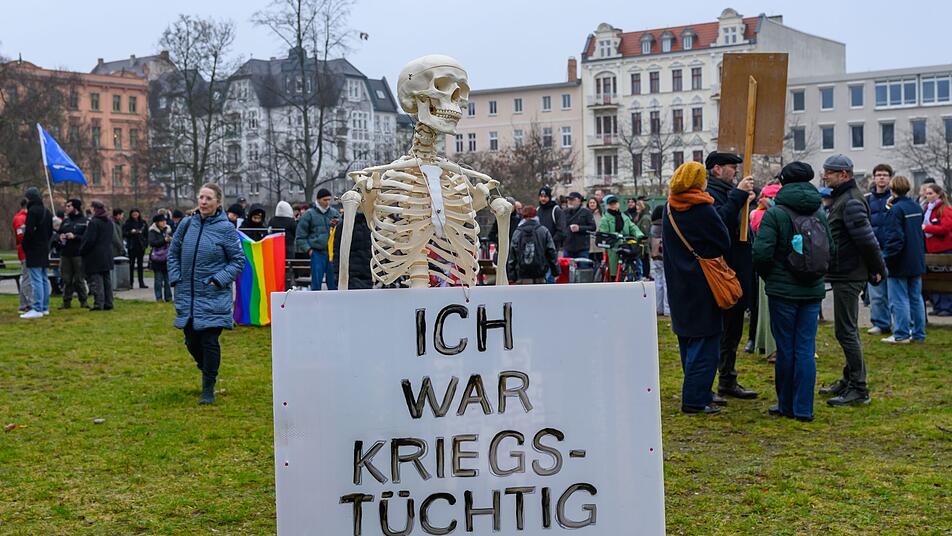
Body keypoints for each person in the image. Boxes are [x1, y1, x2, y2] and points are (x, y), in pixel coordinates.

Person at [752, 162, 832, 422]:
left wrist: (771, 277)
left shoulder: (776, 213)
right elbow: (830, 249)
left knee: (785, 348)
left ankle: (785, 404)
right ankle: (804, 408)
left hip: (782, 292)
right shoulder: (819, 212)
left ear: (783, 182)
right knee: (806, 348)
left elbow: (761, 253)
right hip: (812, 290)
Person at [663, 162, 731, 414]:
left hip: (678, 283)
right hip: (704, 285)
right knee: (706, 343)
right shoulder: (703, 208)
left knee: (688, 341)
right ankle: (695, 399)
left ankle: (699, 390)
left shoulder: (669, 207)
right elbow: (723, 241)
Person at [169, 183, 245, 404]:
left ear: (218, 202)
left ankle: (208, 388)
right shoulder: (186, 224)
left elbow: (238, 261)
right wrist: (176, 278)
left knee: (209, 341)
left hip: (213, 294)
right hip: (188, 295)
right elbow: (173, 253)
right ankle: (207, 368)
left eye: (208, 198)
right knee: (191, 341)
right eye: (201, 197)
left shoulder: (226, 229)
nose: (203, 202)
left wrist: (217, 279)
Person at [820, 154, 885, 407]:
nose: (825, 176)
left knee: (846, 331)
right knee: (846, 330)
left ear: (844, 174)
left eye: (829, 172)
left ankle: (859, 388)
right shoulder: (843, 198)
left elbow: (867, 240)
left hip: (849, 273)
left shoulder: (851, 202)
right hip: (844, 272)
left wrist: (878, 268)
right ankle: (849, 379)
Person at [704, 151, 757, 401]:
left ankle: (727, 379)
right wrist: (738, 195)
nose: (736, 171)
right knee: (718, 331)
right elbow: (720, 224)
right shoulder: (709, 195)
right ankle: (707, 384)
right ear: (717, 169)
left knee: (733, 330)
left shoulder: (728, 193)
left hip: (737, 271)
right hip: (722, 273)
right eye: (731, 167)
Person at [879, 175, 926, 343]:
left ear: (892, 190)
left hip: (899, 261)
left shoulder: (896, 210)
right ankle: (918, 333)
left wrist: (887, 259)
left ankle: (901, 334)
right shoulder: (916, 207)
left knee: (899, 299)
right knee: (916, 298)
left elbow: (895, 238)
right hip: (916, 259)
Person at [749, 184, 781, 360]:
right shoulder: (771, 216)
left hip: (763, 268)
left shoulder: (755, 214)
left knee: (763, 308)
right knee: (774, 309)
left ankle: (763, 343)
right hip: (775, 266)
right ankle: (773, 347)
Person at [865, 164, 894, 335]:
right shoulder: (867, 200)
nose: (882, 177)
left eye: (885, 175)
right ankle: (880, 323)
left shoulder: (895, 199)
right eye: (878, 175)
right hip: (874, 250)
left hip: (892, 250)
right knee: (876, 290)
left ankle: (900, 323)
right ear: (874, 178)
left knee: (894, 290)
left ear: (890, 178)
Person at [296, 188, 340, 291]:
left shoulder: (334, 213)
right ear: (318, 199)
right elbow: (300, 235)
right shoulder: (309, 214)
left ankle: (334, 300)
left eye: (329, 200)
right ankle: (315, 300)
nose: (327, 202)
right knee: (316, 283)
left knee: (333, 282)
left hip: (332, 253)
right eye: (325, 200)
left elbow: (341, 230)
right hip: (317, 252)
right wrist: (309, 250)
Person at [20, 187, 53, 319]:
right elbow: (50, 231)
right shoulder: (47, 211)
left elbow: (29, 231)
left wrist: (25, 245)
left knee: (36, 279)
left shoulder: (32, 211)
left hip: (34, 249)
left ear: (29, 198)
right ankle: (44, 307)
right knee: (43, 278)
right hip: (44, 248)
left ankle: (37, 308)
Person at [507, 205, 559, 284]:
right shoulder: (543, 230)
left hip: (522, 275)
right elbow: (551, 252)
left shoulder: (518, 232)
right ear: (535, 216)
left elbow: (512, 255)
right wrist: (556, 272)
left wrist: (511, 276)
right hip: (540, 274)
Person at [922, 183, 952, 316]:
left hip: (944, 249)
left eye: (930, 193)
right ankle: (938, 306)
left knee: (945, 279)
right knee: (933, 278)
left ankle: (947, 307)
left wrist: (926, 228)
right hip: (931, 249)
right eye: (926, 194)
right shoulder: (927, 209)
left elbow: (945, 228)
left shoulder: (945, 209)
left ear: (938, 194)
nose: (928, 196)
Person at [82, 201, 118, 311]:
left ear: (94, 209)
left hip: (95, 255)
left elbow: (90, 240)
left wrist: (82, 250)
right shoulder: (109, 222)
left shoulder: (94, 222)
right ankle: (108, 302)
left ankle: (99, 303)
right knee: (106, 280)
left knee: (96, 280)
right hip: (107, 253)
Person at [598, 195, 644, 280]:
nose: (613, 205)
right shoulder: (605, 219)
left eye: (615, 203)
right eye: (611, 204)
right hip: (613, 246)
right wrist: (615, 235)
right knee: (614, 269)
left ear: (618, 204)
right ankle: (614, 279)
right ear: (608, 205)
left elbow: (632, 227)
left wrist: (639, 235)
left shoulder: (624, 216)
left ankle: (633, 275)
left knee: (632, 258)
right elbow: (604, 232)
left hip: (625, 244)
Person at [58, 199, 89, 309]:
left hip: (78, 254)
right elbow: (59, 233)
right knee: (66, 279)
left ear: (75, 208)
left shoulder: (84, 221)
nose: (66, 208)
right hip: (65, 254)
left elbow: (87, 237)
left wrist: (75, 236)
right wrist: (60, 237)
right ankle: (66, 301)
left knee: (79, 279)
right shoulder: (65, 221)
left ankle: (83, 301)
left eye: (69, 206)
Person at [332, 208, 373, 289]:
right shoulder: (342, 226)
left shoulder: (369, 226)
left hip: (366, 273)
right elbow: (337, 252)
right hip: (351, 275)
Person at [12, 198, 33, 313]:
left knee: (26, 277)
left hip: (25, 251)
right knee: (27, 278)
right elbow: (20, 236)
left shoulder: (22, 217)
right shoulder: (20, 218)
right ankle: (29, 303)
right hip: (25, 251)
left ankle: (24, 304)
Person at [649, 203, 670, 315]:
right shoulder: (666, 225)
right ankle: (667, 309)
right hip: (665, 256)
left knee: (658, 282)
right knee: (667, 282)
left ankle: (658, 308)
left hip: (655, 257)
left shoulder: (653, 227)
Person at [562, 192, 596, 259]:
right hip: (568, 248)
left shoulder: (586, 212)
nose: (570, 202)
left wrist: (579, 228)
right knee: (567, 266)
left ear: (579, 201)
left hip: (582, 248)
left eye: (572, 199)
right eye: (569, 200)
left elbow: (593, 227)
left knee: (583, 265)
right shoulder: (564, 212)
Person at [148, 214, 173, 302]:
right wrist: (164, 240)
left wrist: (170, 239)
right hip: (157, 259)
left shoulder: (168, 229)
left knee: (167, 280)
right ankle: (159, 298)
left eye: (164, 221)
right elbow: (152, 243)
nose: (164, 222)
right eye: (162, 221)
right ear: (157, 222)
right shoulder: (152, 231)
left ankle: (168, 297)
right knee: (158, 280)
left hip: (167, 258)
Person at [123, 208, 148, 289]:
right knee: (131, 265)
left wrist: (145, 244)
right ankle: (131, 283)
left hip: (141, 246)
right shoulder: (128, 223)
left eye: (136, 213)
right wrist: (131, 232)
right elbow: (124, 233)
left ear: (139, 214)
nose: (135, 215)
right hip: (132, 246)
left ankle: (141, 282)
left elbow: (146, 234)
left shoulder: (143, 223)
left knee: (140, 265)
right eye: (133, 214)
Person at [537, 186, 564, 253]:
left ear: (549, 197)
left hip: (552, 247)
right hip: (539, 247)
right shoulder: (538, 210)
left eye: (545, 196)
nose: (543, 199)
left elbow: (561, 230)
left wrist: (550, 242)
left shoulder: (556, 210)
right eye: (541, 196)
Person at [111, 208, 126, 290]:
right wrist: (121, 248)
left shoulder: (117, 224)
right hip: (114, 249)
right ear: (118, 215)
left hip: (117, 249)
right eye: (122, 215)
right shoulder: (113, 224)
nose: (122, 217)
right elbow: (115, 238)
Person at [587, 198, 604, 263]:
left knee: (599, 260)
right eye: (590, 203)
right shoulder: (585, 213)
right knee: (589, 261)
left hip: (598, 239)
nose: (592, 204)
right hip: (588, 240)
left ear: (597, 204)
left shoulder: (601, 214)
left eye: (593, 203)